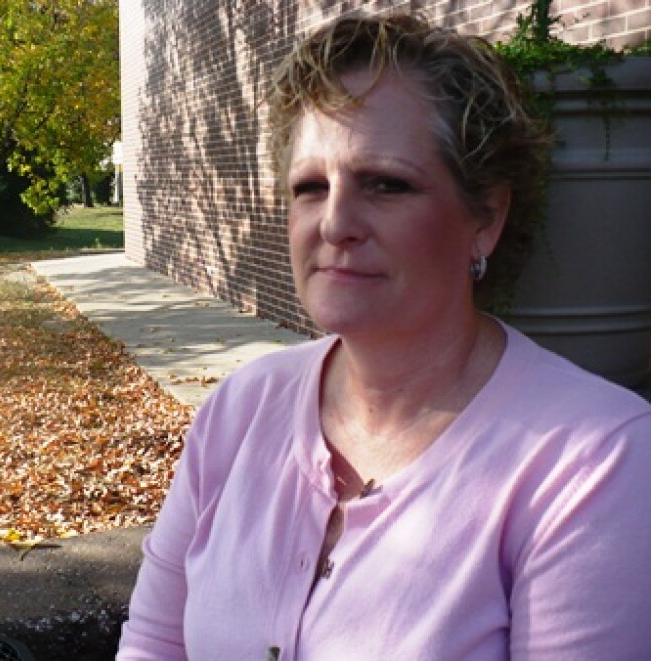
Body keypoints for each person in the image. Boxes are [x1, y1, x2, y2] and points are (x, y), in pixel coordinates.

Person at [117, 12, 651, 660]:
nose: (335, 222)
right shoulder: (236, 413)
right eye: (310, 187)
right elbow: (151, 643)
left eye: (386, 184)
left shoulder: (591, 464)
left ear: (485, 216)